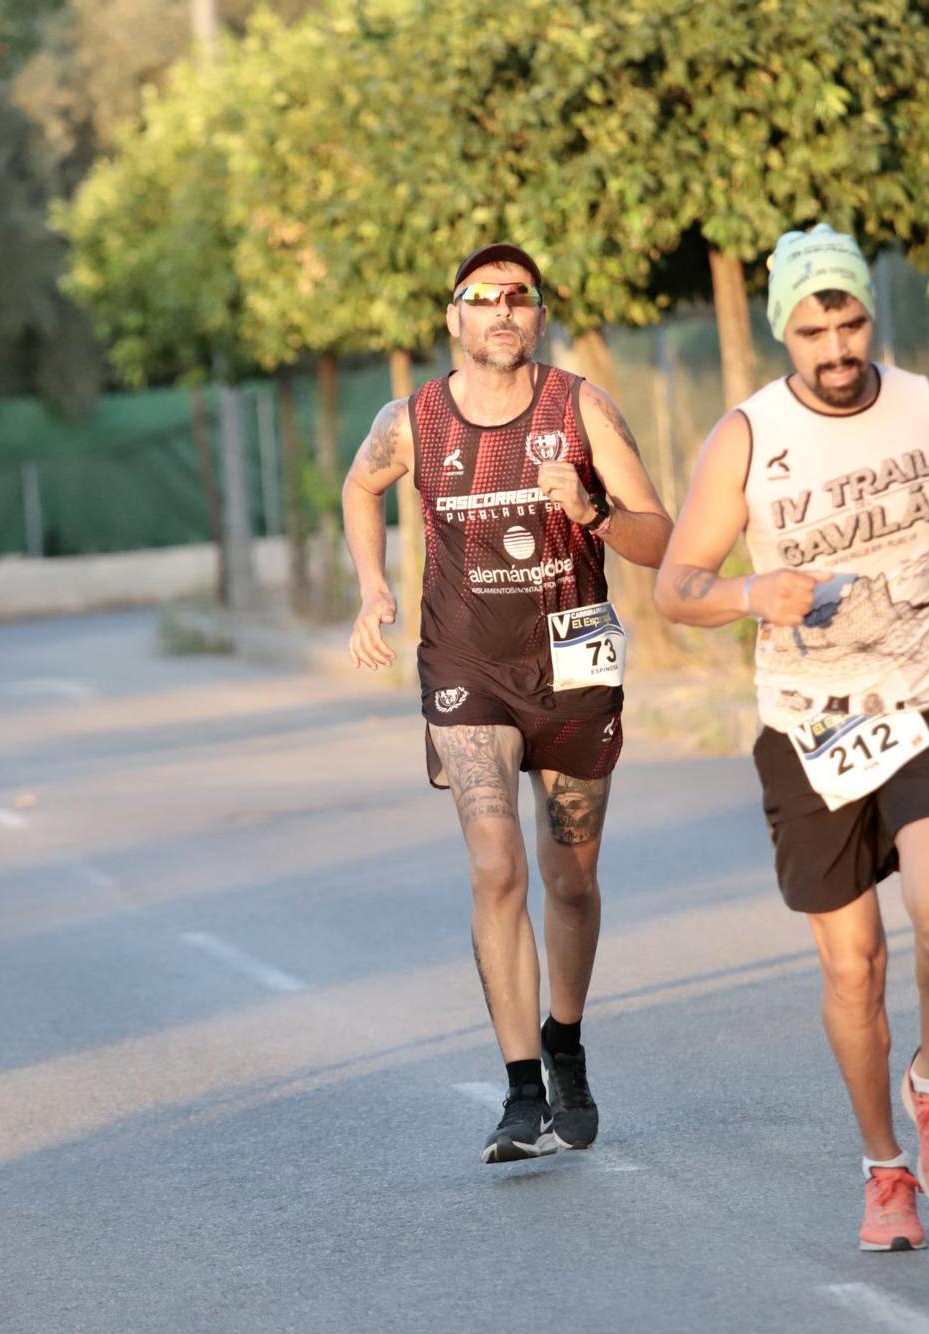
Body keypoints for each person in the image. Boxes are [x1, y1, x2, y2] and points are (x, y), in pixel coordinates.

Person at [654, 225, 929, 1251]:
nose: (833, 345)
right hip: (808, 729)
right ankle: (881, 1168)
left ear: (870, 315)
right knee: (853, 966)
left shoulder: (928, 404)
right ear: (783, 331)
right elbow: (673, 586)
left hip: (921, 702)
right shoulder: (744, 436)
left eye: (848, 318)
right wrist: (743, 591)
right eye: (812, 327)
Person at [343, 244, 674, 1163]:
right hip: (466, 669)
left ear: (538, 316)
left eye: (518, 298)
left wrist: (597, 510)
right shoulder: (410, 420)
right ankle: (522, 1089)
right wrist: (374, 587)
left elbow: (662, 537)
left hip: (573, 666)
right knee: (497, 871)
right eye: (480, 298)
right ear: (453, 318)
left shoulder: (583, 410)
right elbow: (358, 486)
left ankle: (565, 1041)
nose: (500, 312)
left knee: (569, 878)